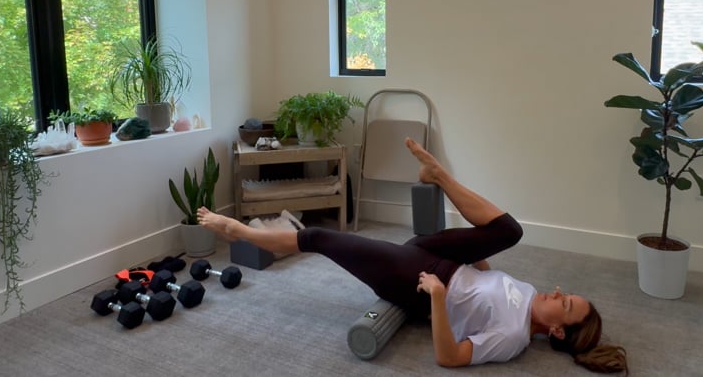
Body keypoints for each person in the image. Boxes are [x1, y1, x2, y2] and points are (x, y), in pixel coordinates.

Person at [197, 138, 627, 373]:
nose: (558, 292)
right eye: (566, 293)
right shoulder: (530, 294)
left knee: (321, 238)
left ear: (556, 331)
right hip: (440, 257)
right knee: (510, 231)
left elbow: (450, 357)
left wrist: (437, 297)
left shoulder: (512, 337)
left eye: (565, 304)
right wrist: (479, 248)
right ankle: (438, 175)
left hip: (417, 281)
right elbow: (486, 280)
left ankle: (240, 231)